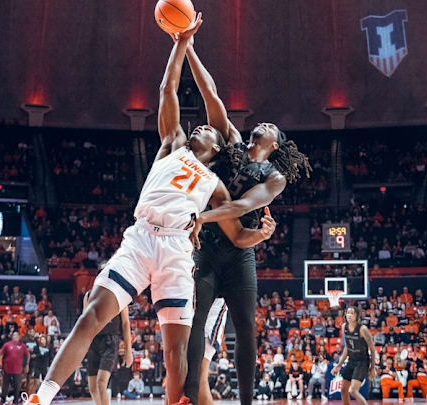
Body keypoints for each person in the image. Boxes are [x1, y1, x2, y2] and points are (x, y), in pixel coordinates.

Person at [26, 14, 277, 405]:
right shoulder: (171, 144)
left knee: (175, 353)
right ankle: (41, 396)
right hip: (141, 239)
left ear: (217, 148)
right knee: (92, 314)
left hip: (178, 251)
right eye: (198, 127)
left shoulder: (216, 185)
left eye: (207, 130)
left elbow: (237, 235)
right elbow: (168, 90)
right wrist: (181, 42)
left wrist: (258, 234)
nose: (199, 128)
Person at [182, 18, 312, 405]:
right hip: (205, 250)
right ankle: (189, 395)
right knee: (194, 326)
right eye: (263, 122)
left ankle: (246, 403)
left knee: (246, 334)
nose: (265, 123)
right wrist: (187, 46)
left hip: (239, 256)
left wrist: (202, 217)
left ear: (275, 145)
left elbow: (241, 205)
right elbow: (211, 95)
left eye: (271, 126)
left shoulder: (274, 178)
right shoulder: (232, 142)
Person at [84, 288, 133, 405]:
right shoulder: (89, 294)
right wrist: (81, 350)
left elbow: (126, 324)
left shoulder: (121, 295)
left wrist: (128, 351)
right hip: (93, 340)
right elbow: (85, 322)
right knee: (92, 387)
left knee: (101, 383)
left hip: (110, 341)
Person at [332, 307, 377, 405]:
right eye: (348, 313)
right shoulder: (344, 327)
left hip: (362, 362)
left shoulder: (362, 329)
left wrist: (372, 368)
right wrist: (339, 364)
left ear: (357, 316)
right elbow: (347, 348)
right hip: (351, 360)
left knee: (352, 391)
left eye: (352, 313)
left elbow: (372, 349)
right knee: (343, 390)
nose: (349, 315)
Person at [0, 331, 30, 402]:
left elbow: (27, 355)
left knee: (17, 385)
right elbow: (0, 353)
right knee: (5, 385)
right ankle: (3, 399)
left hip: (18, 369)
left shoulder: (22, 345)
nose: (15, 336)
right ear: (12, 337)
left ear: (19, 337)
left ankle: (16, 400)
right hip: (7, 368)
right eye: (14, 335)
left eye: (17, 335)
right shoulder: (7, 345)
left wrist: (27, 364)